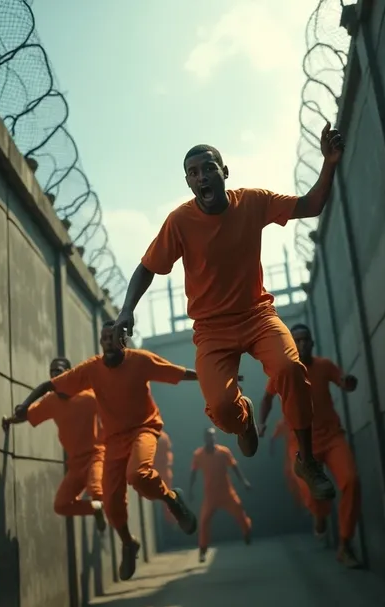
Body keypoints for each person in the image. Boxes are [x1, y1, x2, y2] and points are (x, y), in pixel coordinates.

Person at [112, 122, 344, 503]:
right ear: (189, 183)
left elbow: (312, 205)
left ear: (224, 172)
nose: (201, 176)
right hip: (212, 330)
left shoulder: (252, 201)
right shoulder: (180, 221)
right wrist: (126, 311)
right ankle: (243, 416)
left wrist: (329, 163)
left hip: (257, 315)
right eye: (193, 173)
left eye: (208, 167)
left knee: (289, 369)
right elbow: (147, 267)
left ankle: (308, 460)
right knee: (221, 409)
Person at [9, 322, 201, 581]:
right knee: (111, 503)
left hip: (143, 429)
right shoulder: (91, 370)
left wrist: (211, 377)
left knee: (138, 474)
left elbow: (177, 373)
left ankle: (171, 500)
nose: (107, 341)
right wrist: (23, 406)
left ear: (123, 340)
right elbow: (48, 386)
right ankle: (128, 543)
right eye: (104, 338)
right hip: (114, 441)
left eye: (112, 337)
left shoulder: (140, 361)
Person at [259, 323, 361, 568]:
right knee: (317, 497)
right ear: (290, 345)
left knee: (352, 482)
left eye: (306, 340)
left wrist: (348, 383)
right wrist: (261, 423)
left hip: (332, 437)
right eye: (297, 340)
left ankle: (345, 546)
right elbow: (267, 399)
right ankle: (320, 514)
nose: (302, 344)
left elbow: (343, 381)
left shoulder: (324, 366)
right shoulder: (283, 371)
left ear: (312, 343)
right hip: (304, 446)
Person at [2, 357, 107, 532]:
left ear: (69, 373)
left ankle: (113, 519)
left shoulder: (89, 396)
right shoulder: (51, 401)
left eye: (59, 371)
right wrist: (10, 420)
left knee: (96, 490)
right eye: (52, 372)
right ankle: (95, 509)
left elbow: (114, 404)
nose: (55, 375)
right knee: (61, 505)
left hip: (96, 456)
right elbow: (28, 414)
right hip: (75, 465)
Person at [190, 427, 252, 563]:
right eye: (208, 436)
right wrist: (191, 490)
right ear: (204, 438)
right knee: (204, 522)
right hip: (210, 496)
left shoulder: (223, 452)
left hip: (227, 493)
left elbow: (235, 467)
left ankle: (247, 531)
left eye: (213, 436)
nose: (211, 439)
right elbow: (193, 473)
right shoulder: (198, 455)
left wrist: (244, 481)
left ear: (215, 438)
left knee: (240, 513)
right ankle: (202, 550)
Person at [154, 429, 176, 524]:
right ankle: (171, 520)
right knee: (167, 498)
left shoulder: (160, 437)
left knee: (166, 499)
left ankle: (171, 520)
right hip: (158, 471)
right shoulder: (163, 436)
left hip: (158, 471)